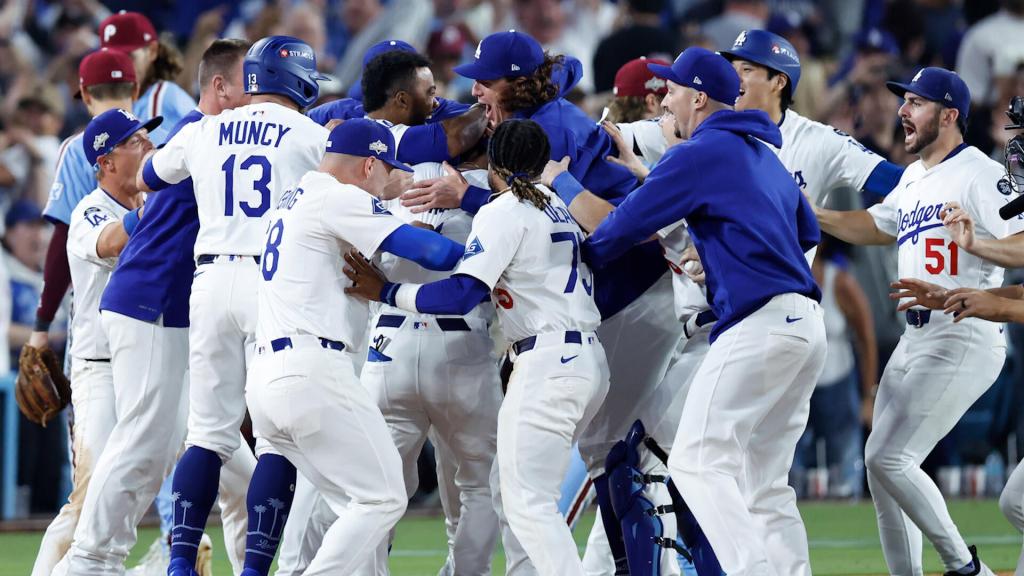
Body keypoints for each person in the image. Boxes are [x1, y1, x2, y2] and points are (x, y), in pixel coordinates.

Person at [571, 46, 826, 576]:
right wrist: (727, 248)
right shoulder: (764, 154)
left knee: (694, 462)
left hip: (758, 325)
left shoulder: (699, 152)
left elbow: (621, 229)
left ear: (700, 97)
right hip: (804, 323)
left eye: (673, 88)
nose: (665, 96)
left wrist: (571, 215)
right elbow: (806, 232)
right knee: (764, 483)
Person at [345, 118, 610, 576]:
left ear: (494, 165)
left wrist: (388, 293)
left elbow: (459, 295)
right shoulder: (559, 205)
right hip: (583, 359)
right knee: (512, 492)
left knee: (525, 501)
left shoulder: (505, 209)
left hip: (548, 360)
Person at [134, 35, 329, 576]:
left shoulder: (204, 129)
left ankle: (179, 564)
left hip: (212, 279)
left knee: (207, 433)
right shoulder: (309, 134)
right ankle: (254, 571)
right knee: (274, 436)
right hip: (273, 281)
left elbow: (149, 175)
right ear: (299, 80)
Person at [812, 67, 1016, 576]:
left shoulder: (980, 172)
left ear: (949, 116)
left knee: (889, 458)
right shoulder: (913, 176)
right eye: (904, 100)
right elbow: (874, 225)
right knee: (880, 469)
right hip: (915, 337)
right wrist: (807, 212)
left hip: (965, 333)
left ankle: (966, 567)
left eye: (916, 102)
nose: (903, 109)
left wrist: (977, 245)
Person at [245, 118, 465, 575]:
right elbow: (434, 253)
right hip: (313, 371)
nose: (390, 180)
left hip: (270, 376)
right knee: (383, 499)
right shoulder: (337, 195)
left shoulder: (295, 196)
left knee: (352, 504)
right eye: (388, 171)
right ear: (369, 164)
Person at [96, 39, 256, 576]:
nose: (256, 95)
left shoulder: (213, 137)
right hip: (151, 301)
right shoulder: (197, 136)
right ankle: (90, 563)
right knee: (143, 445)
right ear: (218, 87)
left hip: (179, 312)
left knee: (237, 470)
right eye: (246, 82)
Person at [98, 11, 196, 146]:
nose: (119, 66)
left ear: (152, 51)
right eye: (112, 59)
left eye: (128, 57)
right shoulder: (115, 104)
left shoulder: (164, 98)